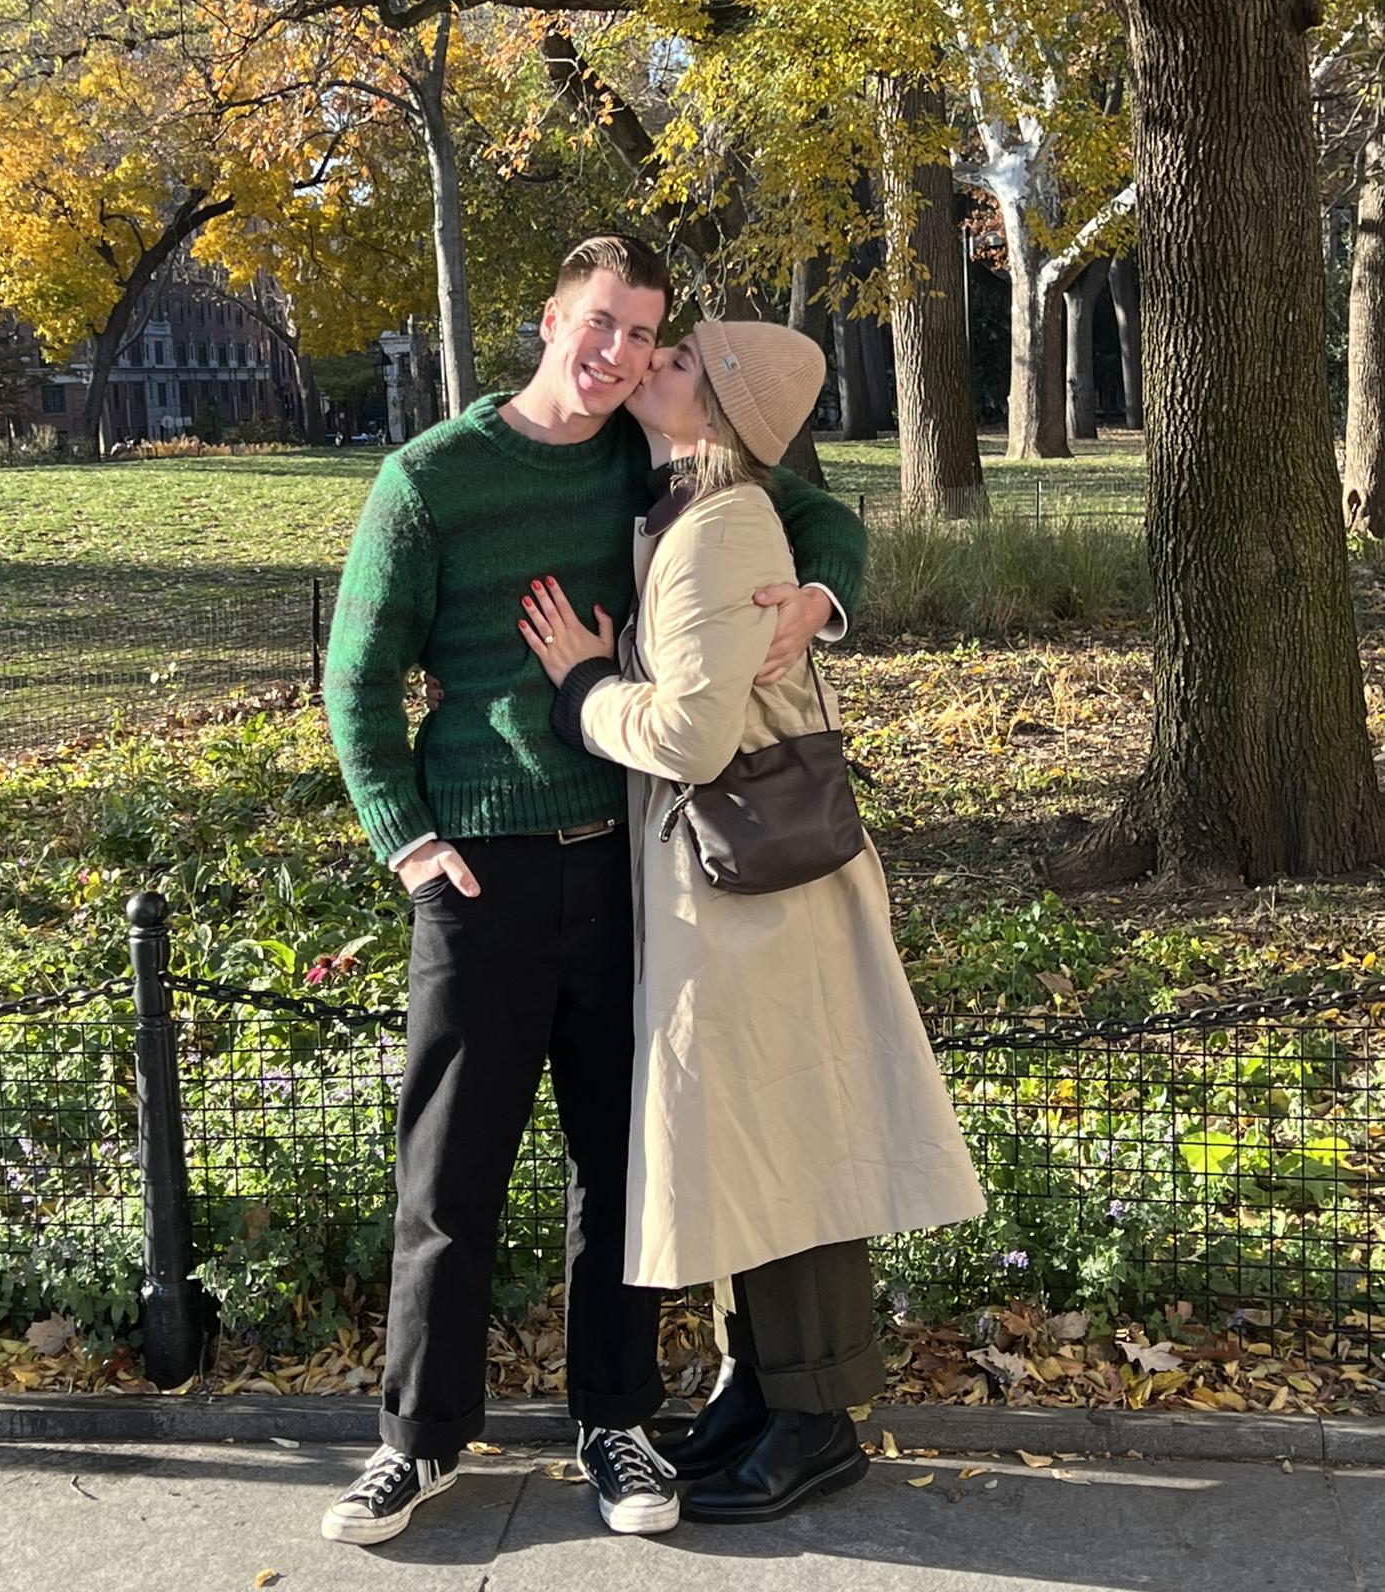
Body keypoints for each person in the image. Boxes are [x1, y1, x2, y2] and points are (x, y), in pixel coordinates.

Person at [318, 237, 866, 1544]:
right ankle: (418, 1438)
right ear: (551, 320)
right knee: (450, 1172)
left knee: (621, 1165)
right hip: (480, 872)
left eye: (644, 336)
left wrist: (820, 595)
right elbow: (358, 676)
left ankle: (614, 1423)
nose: (621, 355)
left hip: (627, 864)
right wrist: (406, 839)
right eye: (602, 325)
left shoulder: (645, 453)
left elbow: (817, 510)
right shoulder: (429, 480)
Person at [522, 318, 985, 1525]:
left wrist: (583, 686)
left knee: (789, 1148)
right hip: (731, 893)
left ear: (720, 415)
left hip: (754, 898)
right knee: (754, 1144)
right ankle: (764, 1389)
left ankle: (816, 1421)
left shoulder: (721, 524)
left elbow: (690, 736)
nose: (653, 360)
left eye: (679, 360)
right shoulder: (685, 502)